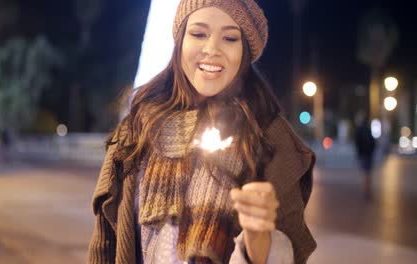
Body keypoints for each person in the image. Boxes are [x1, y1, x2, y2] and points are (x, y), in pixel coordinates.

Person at [89, 0, 316, 263]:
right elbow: (105, 241)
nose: (212, 50)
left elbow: (288, 251)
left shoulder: (270, 137)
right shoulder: (139, 128)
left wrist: (258, 234)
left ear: (245, 51)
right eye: (198, 34)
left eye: (230, 38)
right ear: (181, 40)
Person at [354, 113, 376, 199]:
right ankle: (367, 189)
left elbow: (357, 142)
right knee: (368, 172)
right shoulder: (368, 129)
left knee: (366, 172)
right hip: (368, 154)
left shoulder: (359, 130)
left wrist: (359, 153)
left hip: (363, 154)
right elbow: (373, 142)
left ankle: (366, 189)